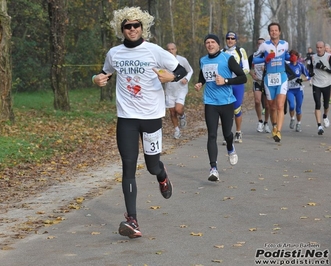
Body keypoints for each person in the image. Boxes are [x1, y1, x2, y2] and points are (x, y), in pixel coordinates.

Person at [92, 6, 187, 239]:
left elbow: (182, 69)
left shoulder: (154, 51)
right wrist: (96, 79)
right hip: (126, 118)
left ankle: (162, 175)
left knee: (151, 165)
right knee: (128, 166)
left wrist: (172, 76)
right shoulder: (114, 53)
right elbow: (105, 73)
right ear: (121, 29)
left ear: (142, 27)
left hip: (152, 117)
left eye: (136, 25)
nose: (132, 29)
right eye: (127, 26)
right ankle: (132, 220)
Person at [194, 34, 247, 182]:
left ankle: (230, 147)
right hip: (210, 102)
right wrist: (200, 83)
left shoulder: (227, 58)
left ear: (218, 45)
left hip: (226, 102)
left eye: (212, 42)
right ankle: (213, 169)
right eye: (207, 42)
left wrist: (226, 80)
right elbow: (203, 75)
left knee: (227, 134)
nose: (210, 45)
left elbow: (242, 77)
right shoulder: (203, 60)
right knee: (212, 135)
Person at [253, 22, 290, 142]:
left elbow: (287, 56)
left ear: (279, 32)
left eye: (276, 30)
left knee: (280, 105)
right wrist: (265, 59)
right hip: (269, 78)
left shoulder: (285, 44)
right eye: (272, 30)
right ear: (269, 33)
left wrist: (292, 57)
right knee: (272, 106)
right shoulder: (264, 45)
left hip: (282, 77)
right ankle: (274, 125)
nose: (274, 32)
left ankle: (278, 132)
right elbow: (254, 58)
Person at [223, 31, 250, 143]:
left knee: (236, 108)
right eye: (228, 38)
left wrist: (235, 74)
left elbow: (247, 69)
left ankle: (238, 132)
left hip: (237, 83)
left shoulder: (240, 51)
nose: (230, 40)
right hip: (226, 83)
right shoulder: (222, 52)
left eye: (232, 38)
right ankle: (228, 135)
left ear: (235, 40)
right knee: (226, 110)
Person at [164, 42, 194, 139]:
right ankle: (177, 130)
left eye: (173, 49)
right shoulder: (163, 61)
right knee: (172, 112)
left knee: (178, 109)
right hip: (169, 90)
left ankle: (182, 115)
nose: (171, 51)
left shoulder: (182, 60)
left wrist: (187, 79)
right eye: (169, 49)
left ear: (176, 49)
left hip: (181, 88)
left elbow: (190, 70)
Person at [307, 41, 331, 135]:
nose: (319, 49)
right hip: (316, 84)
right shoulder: (312, 57)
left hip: (327, 84)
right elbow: (309, 67)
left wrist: (323, 68)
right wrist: (310, 72)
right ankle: (319, 126)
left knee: (326, 105)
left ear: (324, 48)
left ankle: (325, 116)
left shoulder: (329, 57)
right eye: (317, 47)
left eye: (321, 47)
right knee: (317, 104)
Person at [248, 37, 271, 133]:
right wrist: (252, 74)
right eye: (259, 43)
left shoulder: (269, 56)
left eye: (262, 43)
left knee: (267, 104)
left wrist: (266, 70)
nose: (260, 45)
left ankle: (266, 123)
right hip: (257, 81)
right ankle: (260, 121)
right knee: (257, 101)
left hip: (266, 81)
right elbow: (246, 68)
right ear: (257, 45)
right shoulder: (253, 56)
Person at [286, 49, 310, 132]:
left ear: (297, 56)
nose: (293, 57)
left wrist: (302, 80)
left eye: (294, 55)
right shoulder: (287, 66)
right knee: (292, 106)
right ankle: (292, 118)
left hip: (299, 90)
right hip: (290, 90)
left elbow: (308, 76)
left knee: (298, 108)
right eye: (291, 55)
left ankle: (299, 123)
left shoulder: (300, 66)